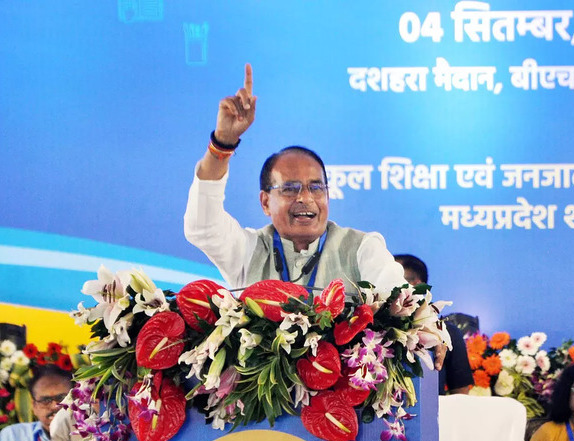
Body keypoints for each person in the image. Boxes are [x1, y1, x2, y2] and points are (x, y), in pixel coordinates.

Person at [183, 64, 407, 295]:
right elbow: (202, 226)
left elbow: (405, 310)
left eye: (316, 187)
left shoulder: (362, 249)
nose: (305, 198)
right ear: (265, 202)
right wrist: (222, 143)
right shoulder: (248, 250)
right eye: (290, 189)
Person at [395, 254, 473, 395]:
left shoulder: (448, 332)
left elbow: (461, 395)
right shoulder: (375, 329)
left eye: (391, 279)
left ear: (416, 286)